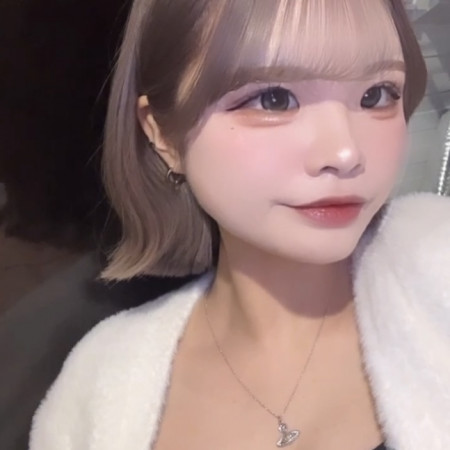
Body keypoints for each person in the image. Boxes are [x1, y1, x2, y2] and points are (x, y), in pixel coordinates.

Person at [29, 1, 450, 449]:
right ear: (162, 134)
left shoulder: (437, 277)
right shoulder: (96, 390)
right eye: (274, 99)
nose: (345, 153)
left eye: (377, 95)